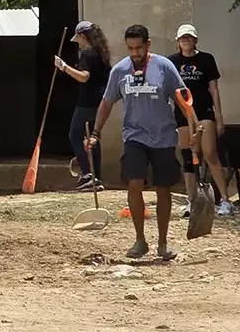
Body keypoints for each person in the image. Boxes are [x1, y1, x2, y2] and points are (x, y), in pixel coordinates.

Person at [90, 23, 187, 262]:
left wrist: (193, 130)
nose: (135, 53)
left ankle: (163, 243)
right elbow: (106, 103)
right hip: (134, 136)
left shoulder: (164, 67)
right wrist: (95, 132)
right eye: (131, 48)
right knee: (134, 184)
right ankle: (140, 240)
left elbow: (184, 100)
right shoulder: (120, 71)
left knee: (163, 188)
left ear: (148, 45)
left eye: (139, 48)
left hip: (163, 136)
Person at [171, 24, 232, 218]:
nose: (186, 40)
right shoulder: (172, 62)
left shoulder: (206, 59)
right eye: (182, 38)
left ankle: (225, 199)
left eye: (189, 37)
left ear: (195, 40)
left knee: (210, 153)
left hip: (204, 111)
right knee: (188, 157)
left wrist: (219, 116)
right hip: (182, 113)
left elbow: (214, 89)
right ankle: (191, 200)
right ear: (178, 41)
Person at [54, 21, 112, 190]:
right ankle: (96, 177)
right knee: (93, 137)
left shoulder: (87, 53)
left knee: (75, 135)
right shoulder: (101, 52)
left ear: (82, 36)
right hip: (100, 100)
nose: (77, 42)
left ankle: (88, 174)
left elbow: (84, 77)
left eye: (78, 38)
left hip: (87, 102)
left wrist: (64, 67)